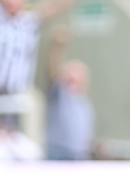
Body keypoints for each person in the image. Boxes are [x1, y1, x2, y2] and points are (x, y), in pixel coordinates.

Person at [45, 27, 94, 161]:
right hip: (58, 153)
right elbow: (53, 71)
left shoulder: (84, 103)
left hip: (79, 154)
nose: (74, 79)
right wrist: (56, 46)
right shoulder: (60, 96)